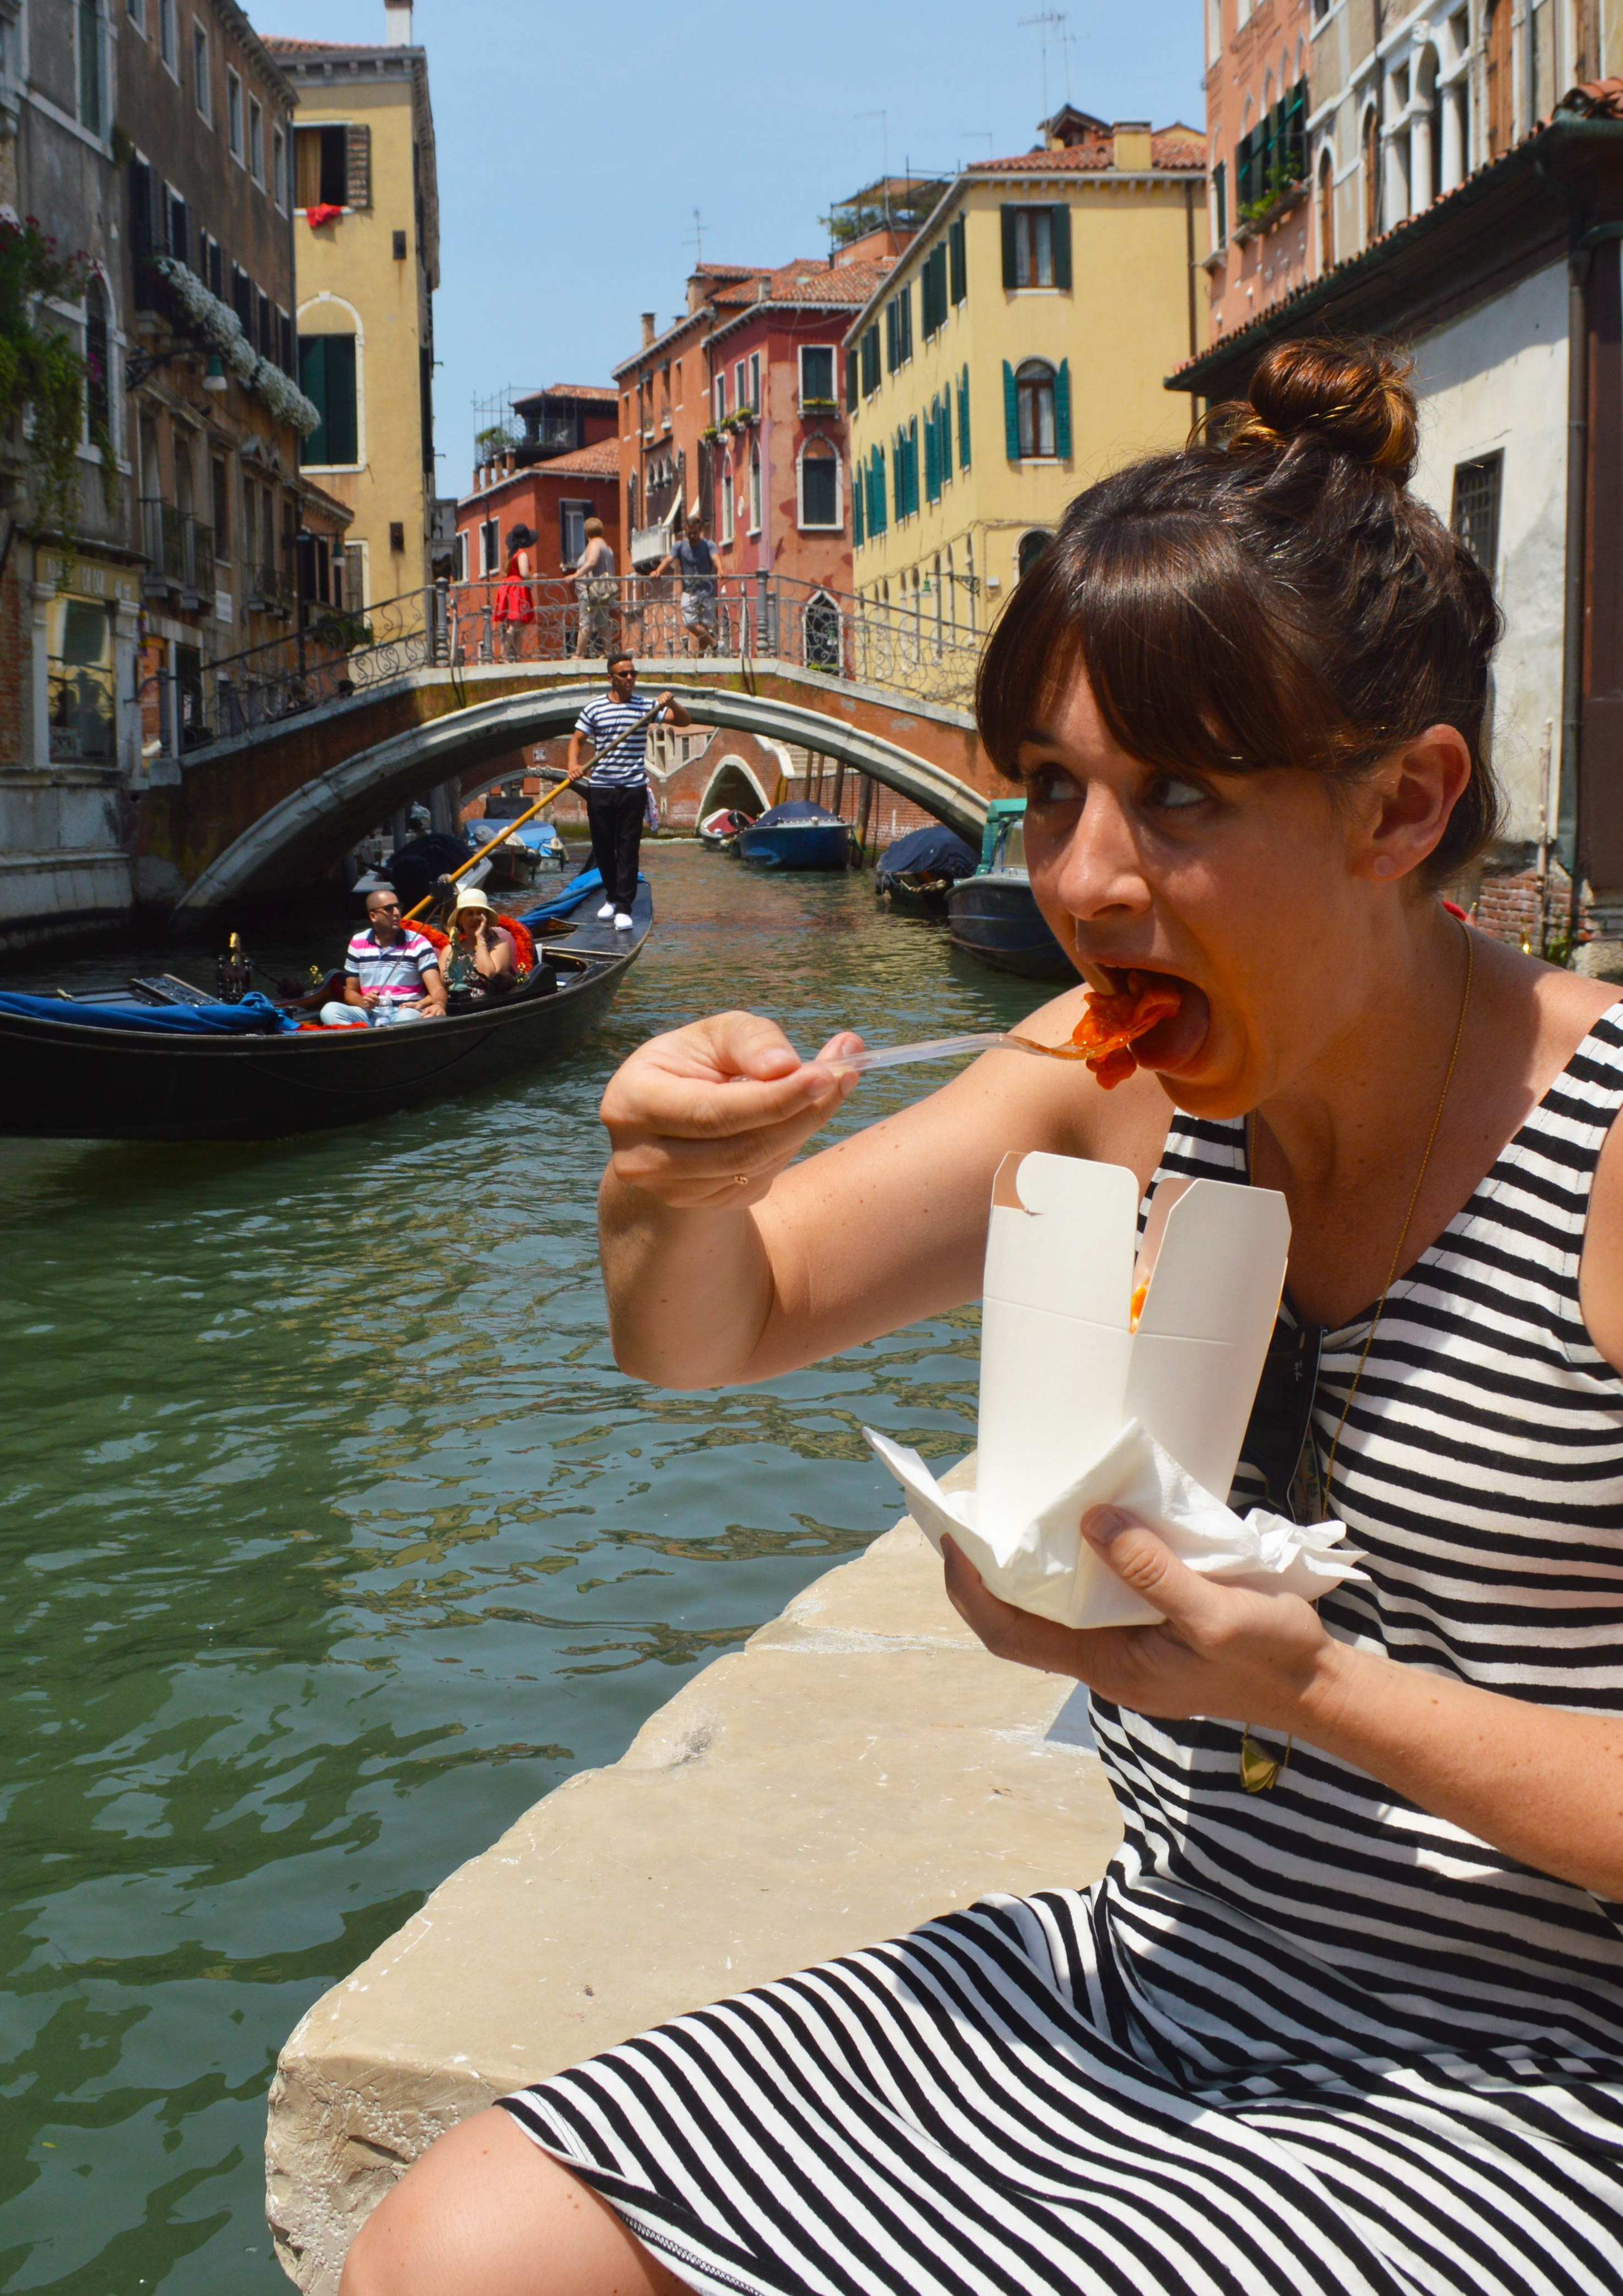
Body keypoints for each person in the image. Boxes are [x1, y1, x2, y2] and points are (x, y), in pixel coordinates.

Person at [342, 338, 1623, 2296]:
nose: (1090, 882)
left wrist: (1304, 1692)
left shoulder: (1603, 1155)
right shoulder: (1106, 1087)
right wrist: (670, 1188)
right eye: (1049, 792)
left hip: (1540, 2068)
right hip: (1157, 1965)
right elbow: (711, 1327)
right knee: (459, 2244)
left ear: (1404, 805)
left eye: (1179, 797)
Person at [567, 654, 687, 931]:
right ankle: (611, 896)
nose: (630, 678)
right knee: (603, 847)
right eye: (623, 674)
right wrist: (573, 765)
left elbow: (683, 721)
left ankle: (623, 906)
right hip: (601, 788)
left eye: (633, 673)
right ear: (611, 678)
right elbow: (578, 740)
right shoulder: (595, 708)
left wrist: (672, 703)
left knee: (628, 847)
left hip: (632, 787)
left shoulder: (647, 706)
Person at [318, 883, 447, 1027]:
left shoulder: (418, 942)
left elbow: (437, 989)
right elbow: (350, 992)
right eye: (389, 909)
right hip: (369, 1013)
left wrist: (439, 1004)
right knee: (329, 1010)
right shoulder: (358, 942)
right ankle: (364, 1041)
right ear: (373, 916)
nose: (397, 913)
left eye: (398, 907)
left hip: (404, 1011)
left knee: (406, 1017)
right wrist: (364, 1002)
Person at [444, 886, 520, 1004]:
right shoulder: (449, 949)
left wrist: (480, 938)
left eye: (480, 913)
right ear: (459, 919)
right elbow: (441, 987)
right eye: (469, 914)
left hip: (483, 1006)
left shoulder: (499, 945)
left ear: (486, 919)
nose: (475, 918)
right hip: (452, 1008)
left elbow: (488, 975)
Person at [573, 514, 619, 655]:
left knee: (585, 621)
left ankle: (579, 654)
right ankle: (608, 652)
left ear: (586, 532)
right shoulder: (606, 546)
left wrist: (575, 575)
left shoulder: (594, 544)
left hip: (591, 594)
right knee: (603, 622)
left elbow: (592, 562)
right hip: (604, 593)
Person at [670, 521, 719, 651]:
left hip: (707, 591)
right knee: (689, 623)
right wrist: (657, 571)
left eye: (695, 533)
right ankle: (715, 644)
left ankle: (701, 660)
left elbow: (716, 558)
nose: (692, 536)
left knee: (705, 627)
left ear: (701, 530)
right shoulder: (680, 546)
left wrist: (720, 569)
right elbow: (668, 559)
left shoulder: (709, 545)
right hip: (689, 591)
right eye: (689, 533)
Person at [493, 527, 536, 662]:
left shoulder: (509, 554)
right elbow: (524, 573)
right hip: (518, 589)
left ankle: (516, 658)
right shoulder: (522, 554)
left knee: (517, 625)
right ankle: (504, 656)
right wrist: (532, 581)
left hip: (508, 587)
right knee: (516, 624)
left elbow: (505, 573)